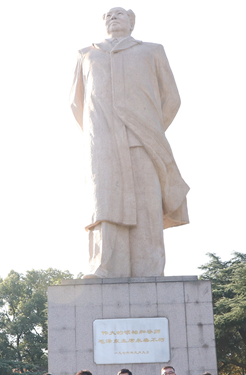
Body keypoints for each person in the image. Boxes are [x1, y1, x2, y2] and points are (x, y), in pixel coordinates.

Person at [70, 7, 189, 278]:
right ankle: (104, 266)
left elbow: (172, 98)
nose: (113, 17)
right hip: (102, 142)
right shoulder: (86, 54)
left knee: (147, 203)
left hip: (143, 139)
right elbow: (76, 103)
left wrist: (150, 128)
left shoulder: (152, 51)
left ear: (131, 22)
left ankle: (149, 270)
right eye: (109, 15)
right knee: (105, 203)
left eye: (120, 14)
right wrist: (98, 133)